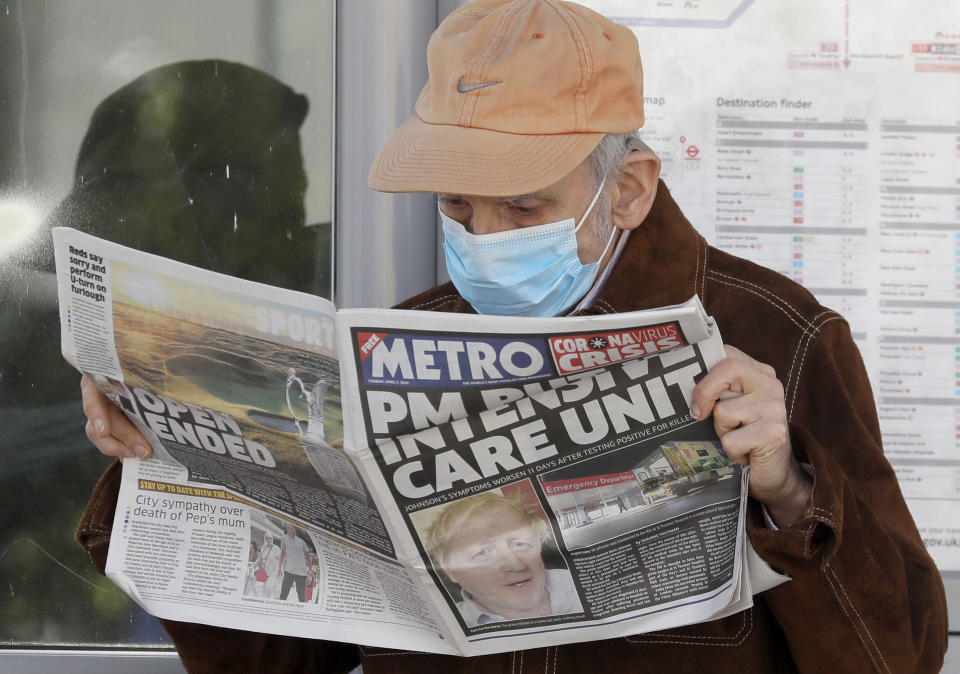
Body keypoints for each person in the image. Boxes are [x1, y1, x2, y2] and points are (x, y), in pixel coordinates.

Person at [77, 1, 947, 672]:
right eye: (456, 203)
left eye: (524, 205)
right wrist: (165, 465)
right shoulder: (406, 341)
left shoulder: (779, 339)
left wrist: (790, 490)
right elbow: (279, 664)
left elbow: (899, 657)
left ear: (631, 189)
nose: (483, 237)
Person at [425, 492, 582, 626]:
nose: (517, 565)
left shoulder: (579, 582)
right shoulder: (448, 625)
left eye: (519, 544)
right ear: (451, 570)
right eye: (483, 553)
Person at [279, 523, 311, 603]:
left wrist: (310, 572)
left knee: (301, 597)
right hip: (288, 571)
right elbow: (282, 553)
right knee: (283, 595)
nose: (292, 531)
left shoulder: (302, 542)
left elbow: (308, 557)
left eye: (293, 529)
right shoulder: (284, 538)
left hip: (301, 573)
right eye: (290, 529)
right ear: (287, 529)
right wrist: (280, 567)